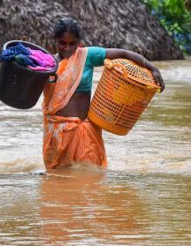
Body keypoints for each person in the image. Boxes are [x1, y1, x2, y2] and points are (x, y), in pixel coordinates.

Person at [41, 17, 165, 170]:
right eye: (62, 43)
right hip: (57, 131)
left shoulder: (87, 56)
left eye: (72, 43)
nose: (67, 48)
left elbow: (124, 54)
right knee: (57, 180)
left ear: (79, 42)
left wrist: (153, 68)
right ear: (54, 41)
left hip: (85, 131)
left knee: (89, 178)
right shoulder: (47, 65)